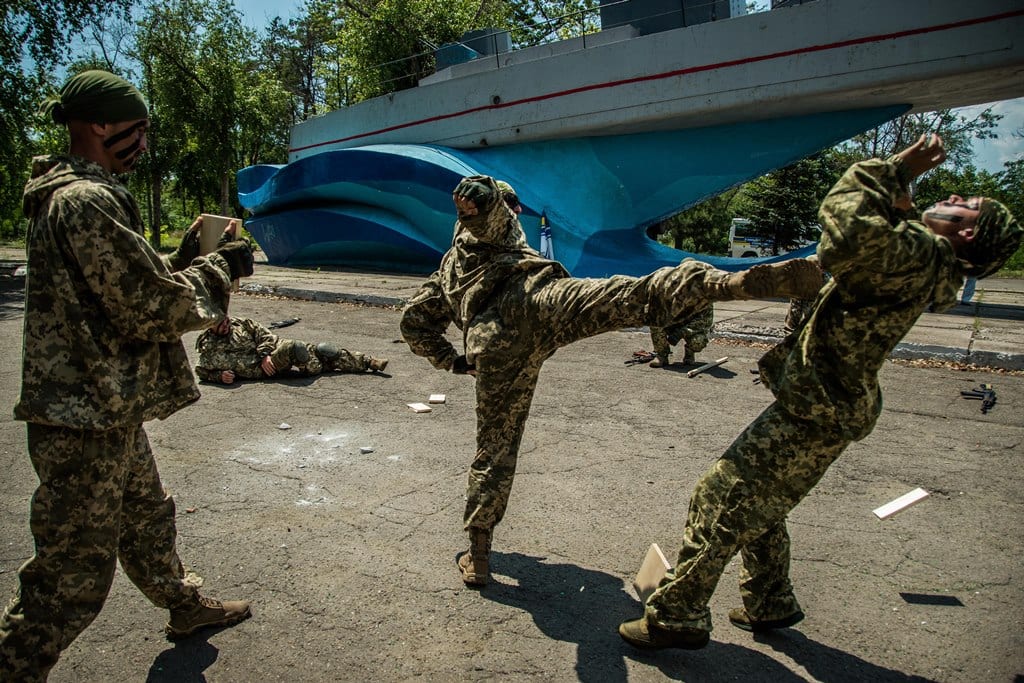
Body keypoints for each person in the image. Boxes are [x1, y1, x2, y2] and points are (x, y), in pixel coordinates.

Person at [618, 133, 1022, 651]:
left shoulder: (922, 255)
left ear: (967, 234)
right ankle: (770, 601)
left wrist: (895, 169)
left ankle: (676, 617)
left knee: (720, 499)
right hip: (823, 403)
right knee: (760, 504)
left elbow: (844, 230)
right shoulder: (922, 258)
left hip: (818, 409)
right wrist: (898, 201)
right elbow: (864, 242)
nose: (956, 197)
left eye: (968, 205)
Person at [400, 175, 824, 587]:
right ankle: (724, 282)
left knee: (494, 450)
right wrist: (483, 201)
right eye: (510, 208)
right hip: (540, 302)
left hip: (496, 348)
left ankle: (478, 554)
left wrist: (453, 362)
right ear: (503, 212)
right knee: (627, 296)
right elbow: (492, 214)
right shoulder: (502, 234)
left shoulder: (451, 268)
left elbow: (413, 322)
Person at [0, 70, 257, 680]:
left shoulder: (77, 197)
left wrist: (187, 258)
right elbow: (151, 308)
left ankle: (183, 606)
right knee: (68, 583)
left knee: (145, 516)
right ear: (99, 124)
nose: (143, 142)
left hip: (103, 408)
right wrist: (221, 269)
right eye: (135, 130)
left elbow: (118, 285)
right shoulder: (86, 201)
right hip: (84, 418)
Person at [195, 315, 388, 383]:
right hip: (260, 370)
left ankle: (368, 362)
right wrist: (219, 377)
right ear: (209, 326)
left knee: (323, 349)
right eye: (221, 324)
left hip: (271, 354)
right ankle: (316, 367)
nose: (226, 325)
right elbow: (201, 371)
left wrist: (265, 354)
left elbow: (265, 336)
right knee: (296, 348)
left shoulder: (241, 324)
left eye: (226, 320)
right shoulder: (207, 346)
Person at [648, 307, 714, 367]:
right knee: (656, 323)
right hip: (672, 323)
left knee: (698, 341)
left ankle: (689, 353)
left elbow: (704, 321)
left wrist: (680, 333)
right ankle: (661, 355)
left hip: (690, 327)